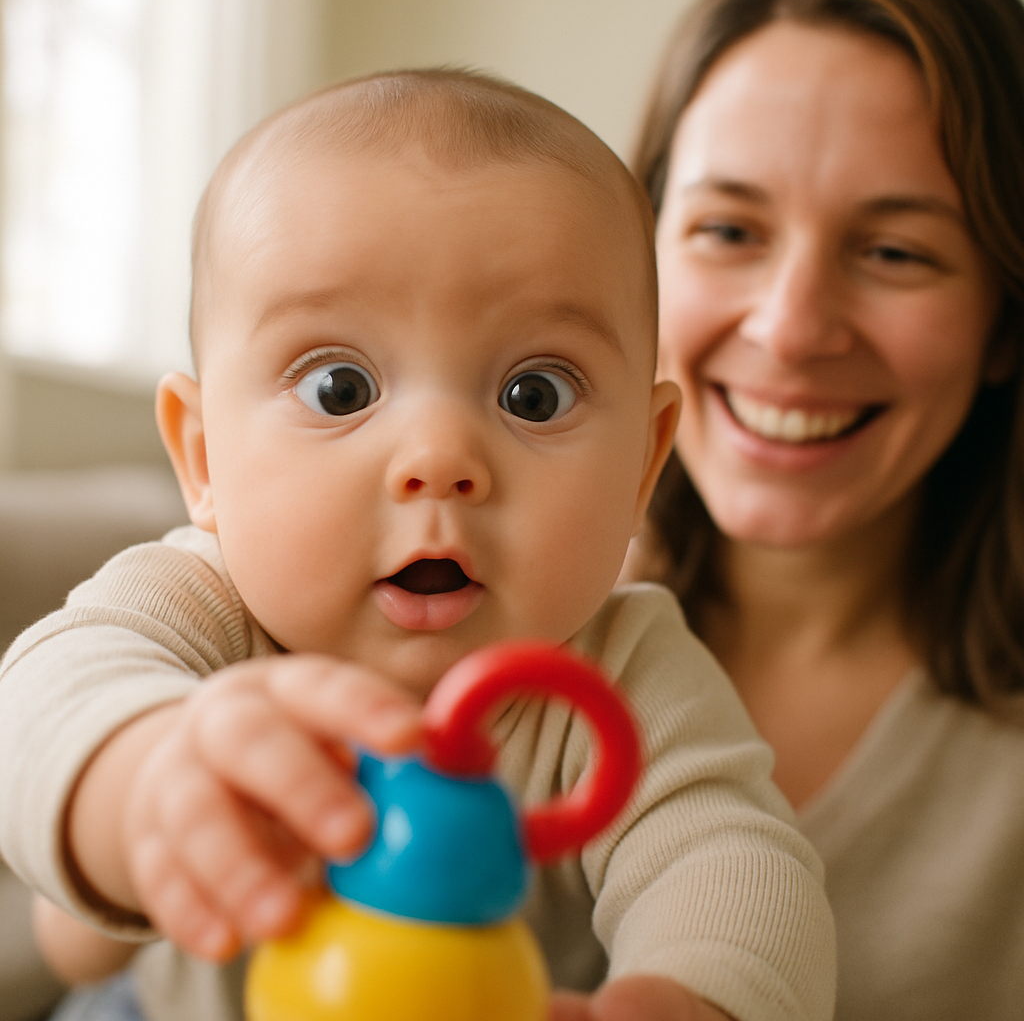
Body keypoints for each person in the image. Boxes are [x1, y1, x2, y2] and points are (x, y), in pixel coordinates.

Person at [0, 70, 836, 1021]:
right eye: (340, 390)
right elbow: (41, 701)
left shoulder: (626, 675)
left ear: (643, 469)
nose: (440, 460)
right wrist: (145, 772)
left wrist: (684, 1000)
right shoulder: (199, 603)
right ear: (203, 459)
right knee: (90, 965)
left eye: (535, 395)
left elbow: (733, 862)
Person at [626, 0, 1024, 1018]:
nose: (792, 328)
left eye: (895, 251)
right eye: (727, 230)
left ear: (1002, 326)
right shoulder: (453, 595)